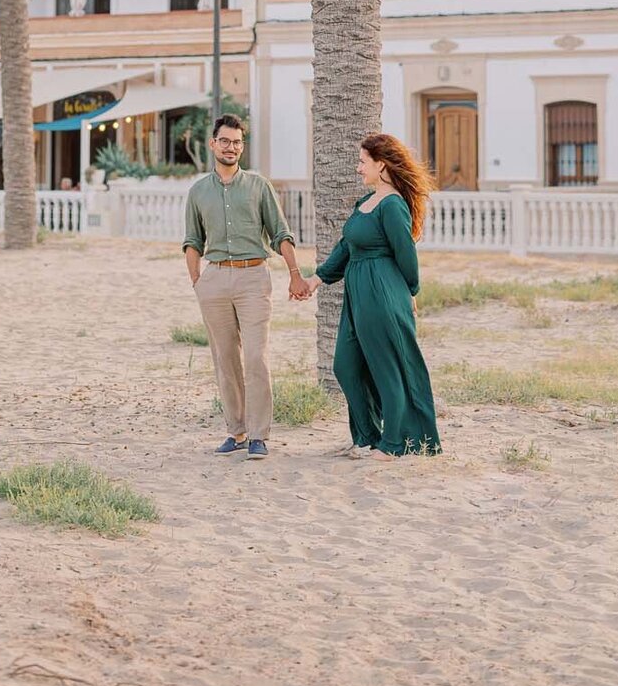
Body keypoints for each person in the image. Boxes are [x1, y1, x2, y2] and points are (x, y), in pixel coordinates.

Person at [303, 133, 441, 459]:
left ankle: (393, 443)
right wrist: (317, 280)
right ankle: (365, 437)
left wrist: (411, 292)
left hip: (382, 291)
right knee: (345, 366)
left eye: (362, 161)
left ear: (380, 165)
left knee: (386, 367)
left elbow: (406, 253)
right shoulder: (364, 203)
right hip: (357, 294)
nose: (357, 167)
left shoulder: (392, 205)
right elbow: (345, 248)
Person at [183, 114, 307, 461]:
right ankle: (235, 432)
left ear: (242, 146)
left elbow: (281, 232)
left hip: (254, 278)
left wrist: (295, 273)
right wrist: (197, 281)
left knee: (255, 356)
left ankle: (258, 435)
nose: (231, 147)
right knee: (225, 359)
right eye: (224, 141)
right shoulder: (197, 191)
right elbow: (192, 239)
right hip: (215, 279)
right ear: (213, 144)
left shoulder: (259, 186)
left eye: (237, 142)